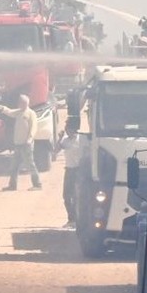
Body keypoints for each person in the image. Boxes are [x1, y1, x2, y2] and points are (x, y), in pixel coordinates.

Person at [0, 94, 42, 191]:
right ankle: (12, 185)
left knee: (30, 164)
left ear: (25, 103)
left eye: (20, 102)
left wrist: (29, 139)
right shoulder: (19, 112)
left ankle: (37, 184)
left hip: (26, 144)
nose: (19, 104)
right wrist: (3, 109)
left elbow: (33, 127)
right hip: (18, 144)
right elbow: (10, 112)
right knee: (14, 166)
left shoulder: (31, 113)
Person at [58, 87, 87, 227]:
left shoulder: (81, 140)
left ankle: (77, 220)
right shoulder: (65, 141)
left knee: (77, 196)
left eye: (68, 128)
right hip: (69, 170)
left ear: (73, 129)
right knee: (66, 196)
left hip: (79, 171)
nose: (67, 131)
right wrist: (59, 138)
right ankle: (71, 219)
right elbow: (55, 151)